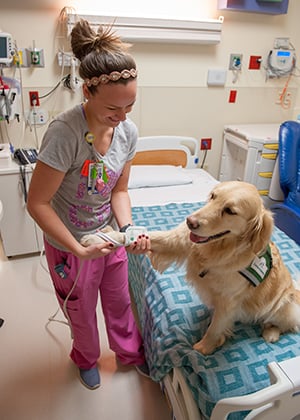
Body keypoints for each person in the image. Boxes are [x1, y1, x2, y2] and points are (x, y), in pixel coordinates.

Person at [27, 18, 151, 390]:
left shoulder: (127, 132)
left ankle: (129, 355)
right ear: (88, 91)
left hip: (108, 236)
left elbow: (119, 190)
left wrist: (127, 230)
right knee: (81, 310)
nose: (123, 116)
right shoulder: (64, 134)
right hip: (70, 243)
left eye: (130, 105)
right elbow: (38, 203)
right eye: (114, 107)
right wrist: (78, 249)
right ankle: (85, 357)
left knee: (119, 300)